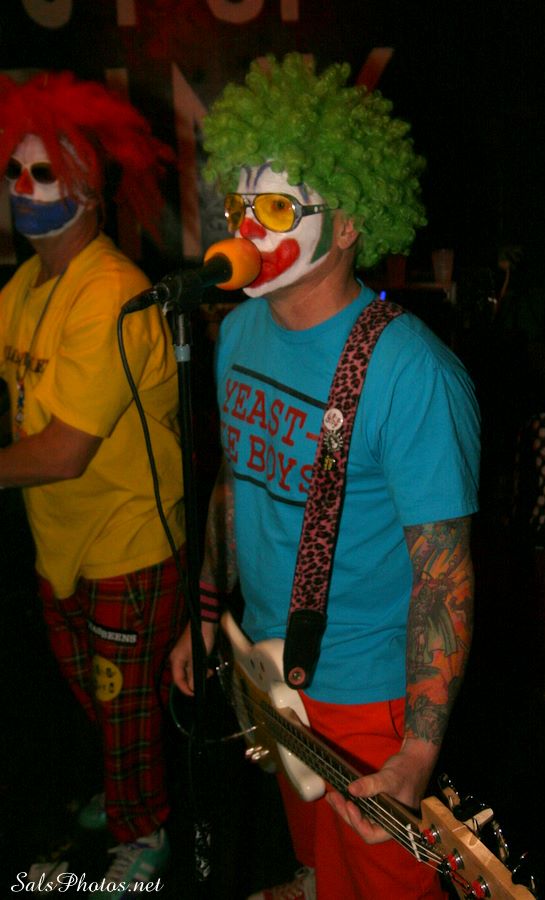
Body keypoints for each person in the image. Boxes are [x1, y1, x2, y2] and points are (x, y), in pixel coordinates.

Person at [170, 54, 480, 900]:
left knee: (385, 886)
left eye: (275, 209)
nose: (246, 231)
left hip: (371, 703)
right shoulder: (238, 333)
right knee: (314, 860)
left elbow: (443, 576)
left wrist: (417, 751)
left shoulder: (411, 372)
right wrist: (206, 613)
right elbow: (237, 487)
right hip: (268, 669)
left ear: (346, 224)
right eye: (240, 207)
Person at [0, 72, 186, 898]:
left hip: (127, 543)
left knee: (125, 704)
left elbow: (64, 452)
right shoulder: (26, 286)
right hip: (63, 544)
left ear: (87, 187)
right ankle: (127, 786)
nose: (23, 187)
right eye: (15, 170)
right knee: (103, 702)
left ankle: (146, 831)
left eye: (43, 172)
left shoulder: (111, 292)